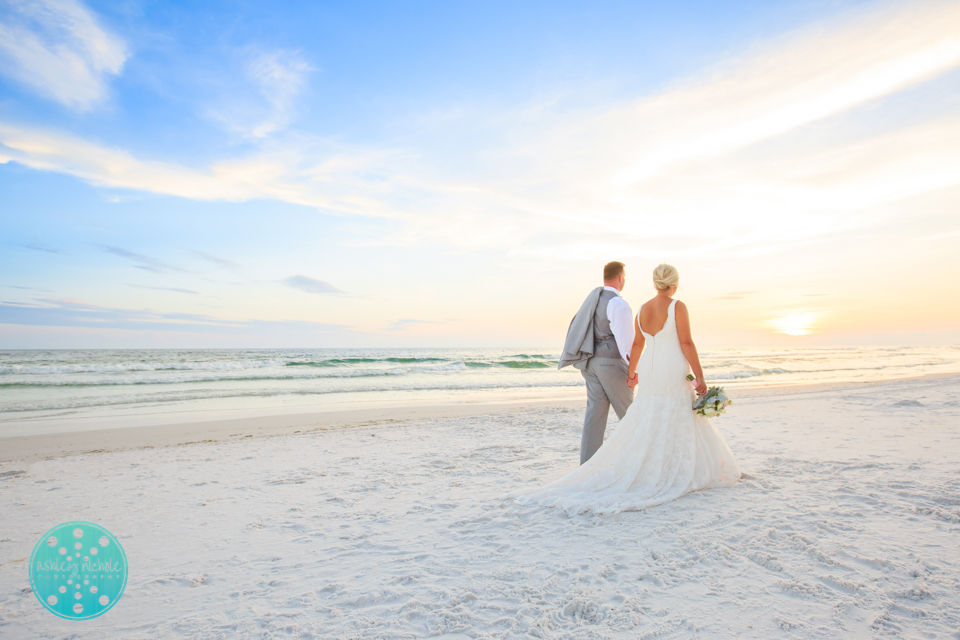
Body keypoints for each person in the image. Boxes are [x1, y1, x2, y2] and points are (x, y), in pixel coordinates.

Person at [507, 263, 741, 515]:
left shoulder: (641, 308)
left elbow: (639, 344)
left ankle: (606, 464)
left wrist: (633, 374)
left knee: (645, 414)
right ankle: (664, 467)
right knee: (665, 414)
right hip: (668, 367)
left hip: (645, 371)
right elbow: (685, 342)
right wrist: (700, 377)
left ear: (655, 282)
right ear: (675, 283)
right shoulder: (673, 306)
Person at [556, 261, 636, 464]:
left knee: (595, 417)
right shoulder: (617, 303)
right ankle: (640, 462)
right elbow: (626, 344)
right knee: (631, 414)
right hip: (610, 364)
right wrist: (634, 371)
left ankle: (587, 466)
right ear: (620, 278)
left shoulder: (593, 299)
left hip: (589, 363)